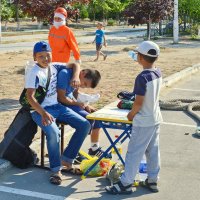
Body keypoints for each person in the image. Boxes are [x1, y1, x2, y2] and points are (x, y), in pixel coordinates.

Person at [25, 41, 91, 185]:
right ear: (35, 57)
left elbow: (75, 64)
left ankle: (66, 160)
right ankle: (55, 170)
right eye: (41, 56)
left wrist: (75, 77)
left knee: (85, 125)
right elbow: (30, 97)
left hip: (57, 106)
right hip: (39, 110)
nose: (45, 59)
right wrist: (43, 113)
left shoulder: (54, 66)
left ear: (51, 55)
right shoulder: (34, 72)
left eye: (47, 55)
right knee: (54, 132)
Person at [105, 41, 163, 194]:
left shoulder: (142, 77)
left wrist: (130, 115)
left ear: (141, 58)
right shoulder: (158, 72)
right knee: (153, 151)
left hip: (143, 121)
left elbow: (138, 103)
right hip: (155, 118)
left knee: (134, 153)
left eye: (137, 54)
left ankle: (125, 184)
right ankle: (152, 180)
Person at [57, 68, 112, 158]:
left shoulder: (77, 78)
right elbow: (61, 98)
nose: (82, 86)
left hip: (70, 104)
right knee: (89, 119)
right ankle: (72, 151)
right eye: (85, 83)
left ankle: (94, 149)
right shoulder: (66, 74)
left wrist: (86, 105)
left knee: (96, 116)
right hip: (61, 105)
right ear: (83, 73)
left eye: (86, 86)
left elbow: (75, 93)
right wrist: (78, 104)